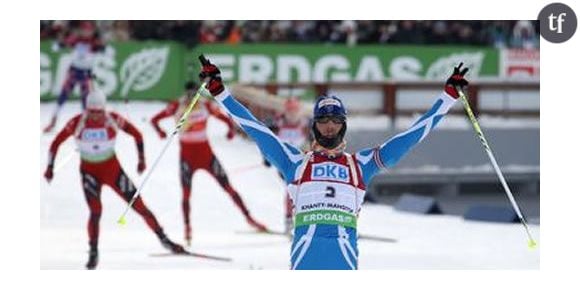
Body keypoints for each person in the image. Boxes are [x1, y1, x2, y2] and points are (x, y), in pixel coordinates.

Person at [198, 58, 469, 270]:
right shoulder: (294, 161)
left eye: (335, 122)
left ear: (344, 125)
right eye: (323, 121)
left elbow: (410, 137)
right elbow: (255, 128)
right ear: (314, 125)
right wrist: (220, 93)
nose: (329, 128)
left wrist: (447, 98)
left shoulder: (361, 164)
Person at [43, 88, 185, 270]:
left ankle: (164, 240)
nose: (95, 116)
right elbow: (55, 143)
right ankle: (93, 251)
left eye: (99, 112)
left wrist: (141, 160)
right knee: (95, 212)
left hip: (113, 171)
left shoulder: (112, 119)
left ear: (104, 109)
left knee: (140, 206)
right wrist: (49, 167)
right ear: (86, 109)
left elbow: (137, 134)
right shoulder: (77, 122)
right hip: (89, 173)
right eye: (92, 112)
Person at [150, 81, 268, 246]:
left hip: (206, 156)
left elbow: (224, 118)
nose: (193, 99)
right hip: (187, 158)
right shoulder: (177, 105)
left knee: (228, 187)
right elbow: (154, 120)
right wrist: (160, 131)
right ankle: (187, 229)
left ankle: (250, 219)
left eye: (195, 95)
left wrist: (230, 131)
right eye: (190, 96)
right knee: (185, 194)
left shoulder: (205, 105)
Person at [43, 21, 106, 133]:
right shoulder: (76, 39)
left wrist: (101, 48)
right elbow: (59, 46)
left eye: (89, 30)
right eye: (84, 30)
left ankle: (86, 124)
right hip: (74, 71)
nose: (86, 33)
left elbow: (104, 51)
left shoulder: (94, 42)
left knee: (86, 101)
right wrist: (60, 44)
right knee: (62, 97)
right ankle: (53, 121)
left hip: (87, 74)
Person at [263, 97, 311, 234]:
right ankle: (289, 222)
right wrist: (267, 158)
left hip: (302, 161)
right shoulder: (277, 122)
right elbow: (267, 142)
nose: (292, 115)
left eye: (295, 111)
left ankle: (305, 220)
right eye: (290, 111)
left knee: (303, 190)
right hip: (284, 162)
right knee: (292, 189)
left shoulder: (306, 123)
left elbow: (314, 142)